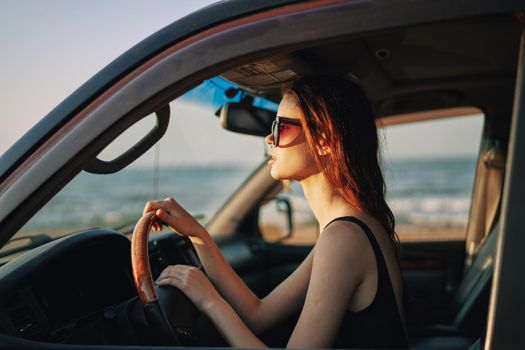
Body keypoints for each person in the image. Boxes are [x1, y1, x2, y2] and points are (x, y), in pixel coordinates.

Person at [143, 76, 409, 349]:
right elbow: (260, 315)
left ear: (325, 141)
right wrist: (199, 235)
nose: (269, 138)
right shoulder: (355, 225)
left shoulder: (344, 237)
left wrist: (209, 299)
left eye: (282, 126)